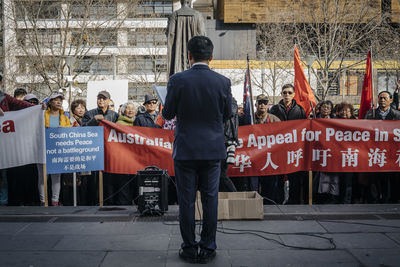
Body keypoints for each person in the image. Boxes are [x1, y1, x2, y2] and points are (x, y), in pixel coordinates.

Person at [162, 36, 231, 264]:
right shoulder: (222, 81)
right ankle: (208, 247)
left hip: (186, 150)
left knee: (186, 200)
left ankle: (189, 248)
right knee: (211, 199)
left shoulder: (177, 80)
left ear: (188, 56)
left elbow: (168, 114)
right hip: (212, 151)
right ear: (211, 57)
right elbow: (229, 113)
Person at [269, 84, 307, 204]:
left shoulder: (300, 110)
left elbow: (304, 128)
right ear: (281, 94)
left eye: (289, 93)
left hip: (294, 148)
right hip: (278, 147)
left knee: (294, 176)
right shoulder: (274, 109)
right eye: (284, 92)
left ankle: (294, 200)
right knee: (278, 176)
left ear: (294, 94)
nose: (287, 95)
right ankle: (278, 200)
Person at [82, 90, 118, 205]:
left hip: (110, 151)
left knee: (109, 179)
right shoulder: (89, 114)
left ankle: (109, 202)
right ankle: (94, 203)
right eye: (99, 98)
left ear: (108, 101)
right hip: (94, 151)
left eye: (104, 98)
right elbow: (82, 130)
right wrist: (94, 120)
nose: (101, 100)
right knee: (94, 180)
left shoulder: (114, 115)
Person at [365, 91, 400, 203]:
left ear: (390, 100)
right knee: (375, 177)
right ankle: (376, 198)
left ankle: (393, 198)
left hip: (392, 151)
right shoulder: (371, 114)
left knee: (392, 176)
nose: (382, 100)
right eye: (380, 98)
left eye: (385, 98)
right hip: (375, 150)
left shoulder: (397, 115)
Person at [37, 92, 71, 206]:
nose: (58, 102)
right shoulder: (41, 115)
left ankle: (55, 201)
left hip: (58, 151)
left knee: (56, 177)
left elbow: (69, 133)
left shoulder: (65, 118)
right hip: (43, 150)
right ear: (50, 102)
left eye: (60, 100)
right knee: (43, 177)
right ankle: (43, 201)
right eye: (55, 100)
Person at [253, 94, 282, 204]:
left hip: (269, 157)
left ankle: (269, 202)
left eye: (265, 103)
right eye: (260, 102)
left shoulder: (275, 120)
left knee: (269, 183)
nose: (262, 105)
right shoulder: (249, 118)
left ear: (268, 105)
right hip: (254, 157)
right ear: (256, 104)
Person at [166, 0, 205, 77]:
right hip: (195, 59)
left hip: (177, 60)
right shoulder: (198, 15)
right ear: (190, 2)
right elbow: (202, 35)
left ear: (181, 2)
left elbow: (170, 35)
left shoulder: (174, 15)